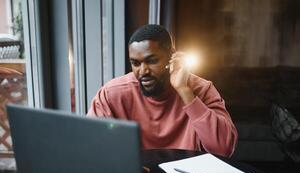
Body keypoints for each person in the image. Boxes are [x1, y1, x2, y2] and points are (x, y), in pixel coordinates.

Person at [87, 24, 238, 157]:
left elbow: (223, 149)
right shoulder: (112, 94)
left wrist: (184, 91)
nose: (143, 71)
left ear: (171, 56)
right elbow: (90, 146)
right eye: (135, 63)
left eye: (152, 61)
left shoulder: (202, 89)